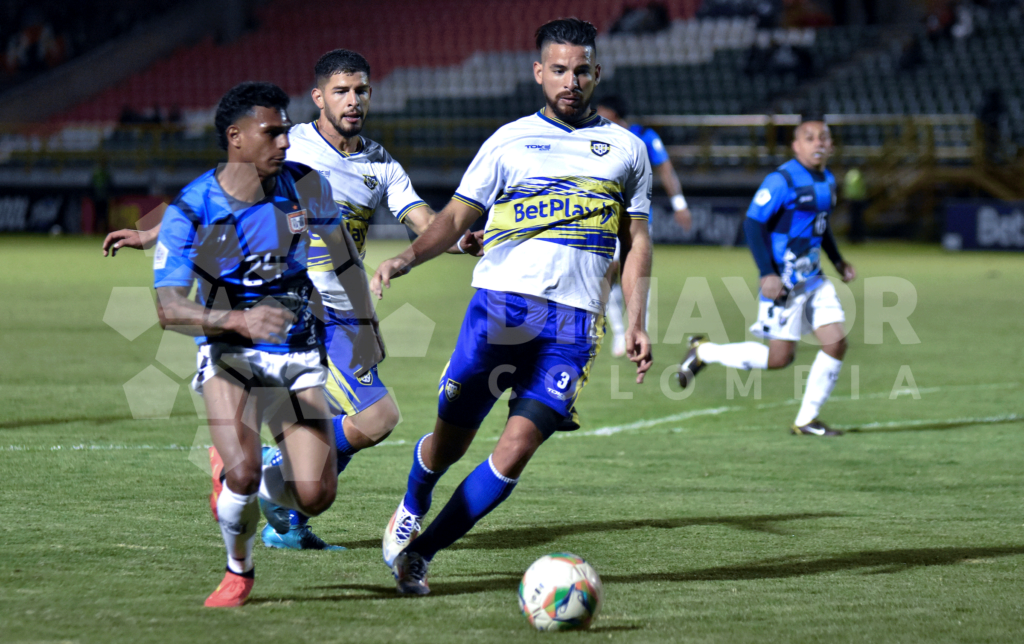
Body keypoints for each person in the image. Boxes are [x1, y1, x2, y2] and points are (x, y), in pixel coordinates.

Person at [103, 49, 482, 551]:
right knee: (378, 417)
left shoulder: (381, 165)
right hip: (300, 307)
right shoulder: (289, 142)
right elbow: (216, 190)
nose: (353, 101)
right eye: (342, 91)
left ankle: (288, 507)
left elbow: (423, 220)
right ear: (318, 97)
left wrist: (459, 240)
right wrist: (150, 232)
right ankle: (275, 484)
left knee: (365, 421)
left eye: (361, 91)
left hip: (344, 309)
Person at [370, 17, 654, 595]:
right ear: (538, 73)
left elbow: (638, 240)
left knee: (516, 449)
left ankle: (420, 554)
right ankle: (413, 503)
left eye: (581, 71)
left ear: (597, 73)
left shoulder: (628, 150)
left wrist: (637, 321)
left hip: (574, 327)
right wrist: (406, 258)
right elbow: (456, 216)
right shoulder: (509, 141)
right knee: (449, 444)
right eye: (559, 70)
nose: (570, 81)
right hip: (501, 312)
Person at [152, 81, 380, 606]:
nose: (285, 142)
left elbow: (343, 257)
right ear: (236, 137)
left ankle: (247, 484)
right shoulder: (194, 206)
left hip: (296, 352)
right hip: (228, 354)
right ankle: (239, 569)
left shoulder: (307, 185)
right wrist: (238, 321)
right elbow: (169, 308)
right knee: (243, 468)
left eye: (286, 131)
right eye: (272, 133)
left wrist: (366, 327)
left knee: (316, 495)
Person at [677, 115, 855, 437]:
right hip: (784, 284)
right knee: (779, 359)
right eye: (810, 138)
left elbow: (821, 226)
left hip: (814, 280)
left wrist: (839, 261)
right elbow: (753, 223)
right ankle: (704, 352)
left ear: (831, 145)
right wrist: (767, 273)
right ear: (796, 145)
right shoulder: (782, 179)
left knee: (836, 343)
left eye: (824, 137)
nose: (818, 143)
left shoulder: (828, 179)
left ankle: (806, 421)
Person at [595, 93, 690, 357]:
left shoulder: (644, 136)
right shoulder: (595, 136)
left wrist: (679, 204)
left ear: (615, 115)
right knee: (609, 271)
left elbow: (665, 169)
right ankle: (618, 331)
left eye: (602, 112)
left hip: (637, 217)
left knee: (637, 272)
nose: (597, 117)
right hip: (605, 216)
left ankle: (638, 328)